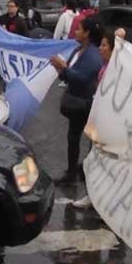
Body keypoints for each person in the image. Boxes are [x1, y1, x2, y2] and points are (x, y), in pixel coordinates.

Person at [72, 26, 126, 209]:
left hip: (110, 126)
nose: (100, 48)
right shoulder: (104, 66)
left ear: (113, 49)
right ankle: (93, 196)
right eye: (101, 44)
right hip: (99, 122)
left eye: (104, 45)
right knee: (94, 161)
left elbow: (121, 35)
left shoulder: (117, 68)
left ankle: (108, 203)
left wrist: (119, 35)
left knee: (108, 164)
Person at [49, 16, 104, 186]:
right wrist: (60, 68)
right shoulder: (78, 49)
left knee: (91, 140)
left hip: (86, 103)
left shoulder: (93, 55)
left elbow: (83, 78)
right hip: (75, 102)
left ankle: (87, 173)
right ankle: (71, 172)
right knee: (73, 138)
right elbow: (69, 75)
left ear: (87, 33)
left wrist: (63, 67)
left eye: (79, 29)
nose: (76, 31)